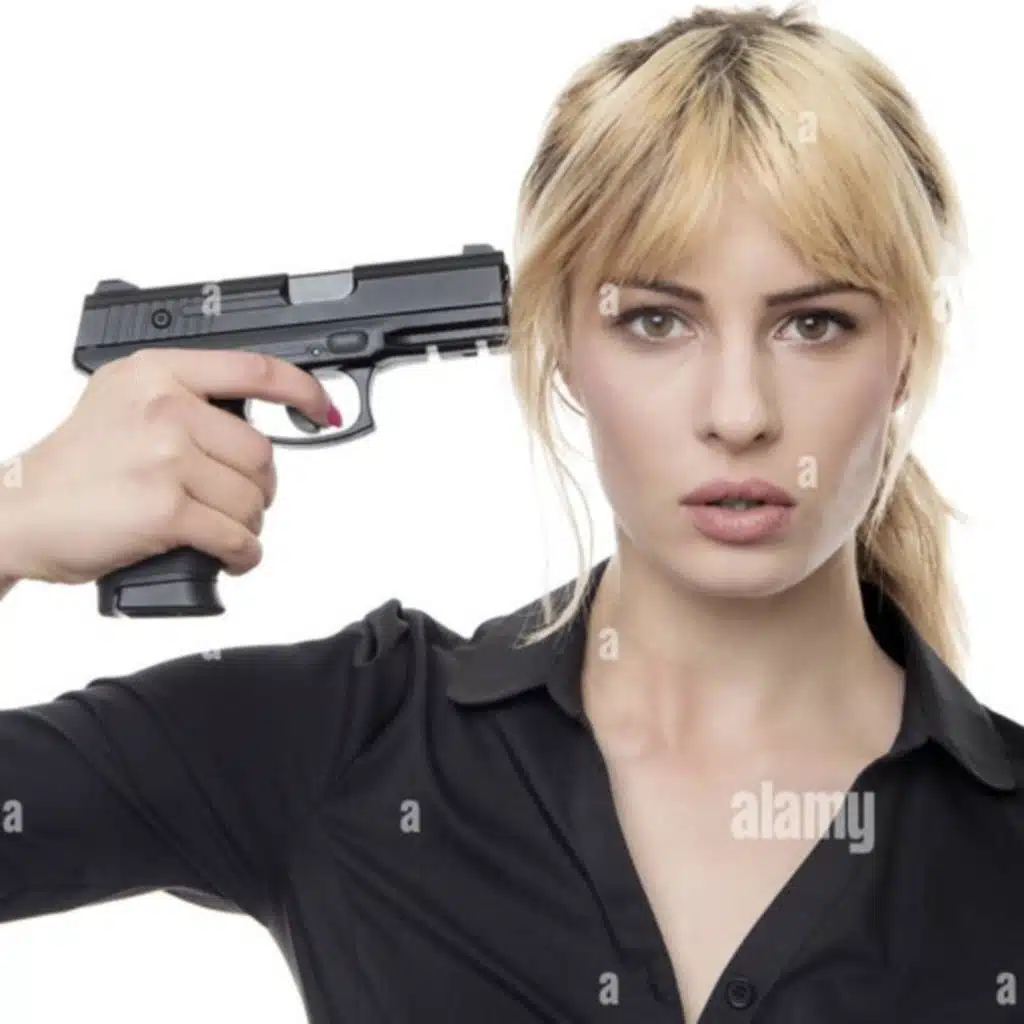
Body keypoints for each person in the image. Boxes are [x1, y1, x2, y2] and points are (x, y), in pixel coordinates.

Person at [1, 4, 1022, 1022]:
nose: (739, 413)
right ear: (558, 346)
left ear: (907, 354)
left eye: (814, 324)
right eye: (655, 321)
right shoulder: (344, 742)